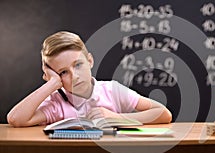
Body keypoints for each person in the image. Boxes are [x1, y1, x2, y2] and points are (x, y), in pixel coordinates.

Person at [7, 31, 172, 127]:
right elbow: (15, 119)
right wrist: (51, 84)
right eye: (63, 72)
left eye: (78, 65)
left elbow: (163, 114)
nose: (75, 76)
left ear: (90, 61)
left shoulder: (112, 90)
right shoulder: (56, 104)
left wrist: (117, 118)